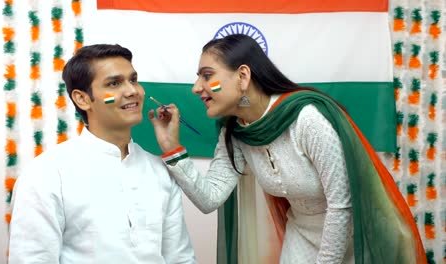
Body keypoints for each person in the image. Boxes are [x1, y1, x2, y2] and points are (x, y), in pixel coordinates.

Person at [149, 34, 426, 264]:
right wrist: (172, 148)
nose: (197, 87)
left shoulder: (306, 118)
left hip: (358, 235)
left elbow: (341, 205)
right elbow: (209, 199)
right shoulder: (236, 132)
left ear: (243, 76)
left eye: (207, 76)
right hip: (301, 236)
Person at [8, 44, 196, 264]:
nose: (132, 91)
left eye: (133, 80)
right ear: (82, 99)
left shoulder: (159, 171)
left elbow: (180, 259)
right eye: (114, 83)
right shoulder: (47, 174)